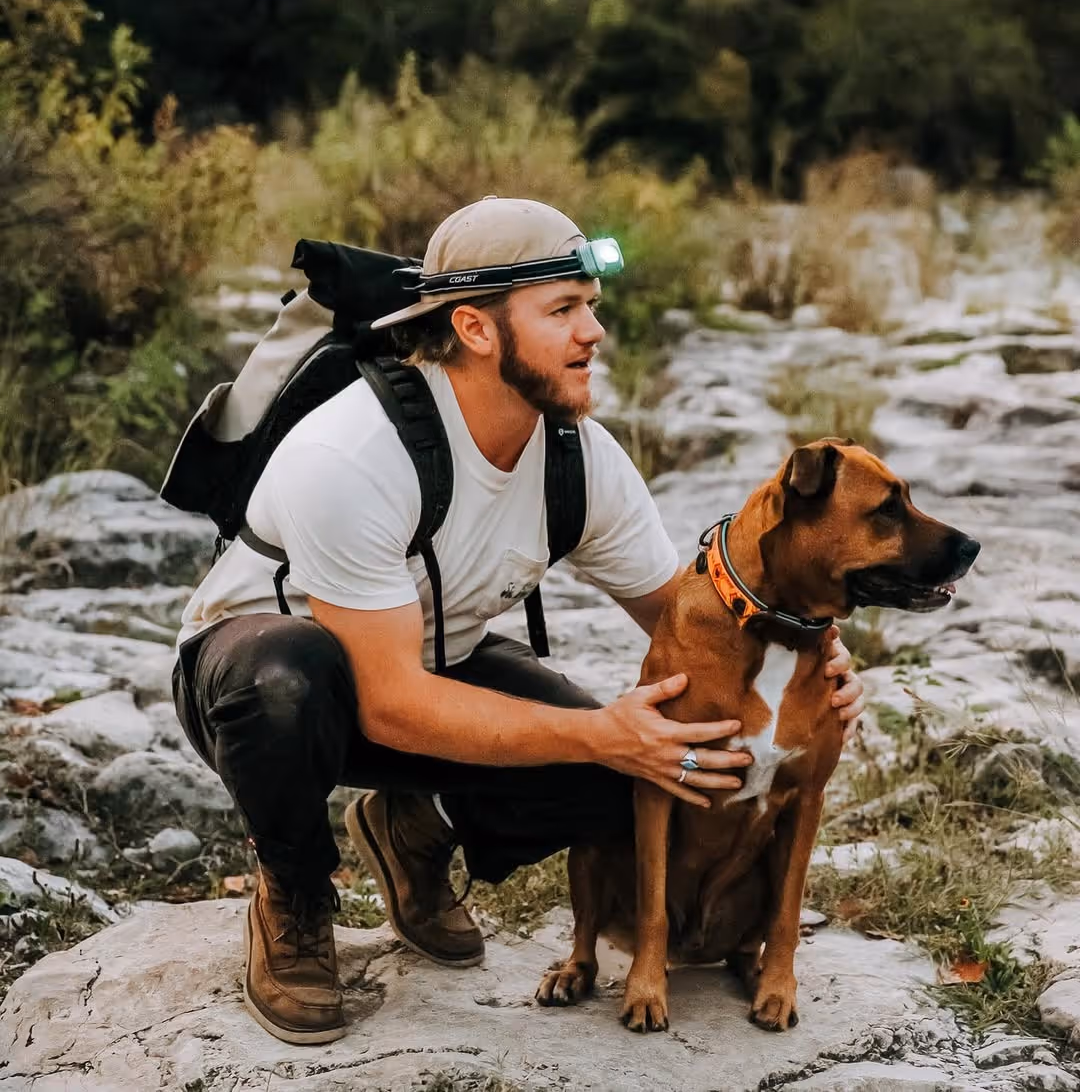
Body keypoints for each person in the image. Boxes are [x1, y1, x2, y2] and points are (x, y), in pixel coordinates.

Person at [171, 196, 865, 1046]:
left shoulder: (580, 457)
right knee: (287, 680)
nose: (593, 333)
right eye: (563, 310)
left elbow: (692, 619)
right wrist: (603, 733)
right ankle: (293, 895)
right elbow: (385, 703)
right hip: (262, 681)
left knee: (637, 779)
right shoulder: (351, 454)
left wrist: (812, 663)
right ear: (474, 327)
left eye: (592, 308)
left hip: (432, 671)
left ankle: (410, 827)